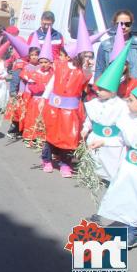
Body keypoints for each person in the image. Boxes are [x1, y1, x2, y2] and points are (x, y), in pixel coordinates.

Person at [40, 14, 94, 178]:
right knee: (51, 134)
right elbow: (51, 83)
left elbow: (86, 74)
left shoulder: (84, 70)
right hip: (54, 107)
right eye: (85, 55)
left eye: (89, 56)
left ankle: (65, 163)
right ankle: (47, 159)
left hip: (71, 110)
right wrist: (43, 98)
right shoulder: (60, 65)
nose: (87, 58)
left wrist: (87, 65)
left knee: (69, 137)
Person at [97, 84, 137, 249]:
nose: (127, 102)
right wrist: (103, 141)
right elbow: (120, 139)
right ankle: (130, 230)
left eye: (131, 100)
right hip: (129, 168)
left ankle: (134, 231)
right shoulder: (129, 120)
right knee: (128, 199)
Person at [21, 31, 54, 144]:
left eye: (46, 62)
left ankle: (41, 137)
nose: (44, 64)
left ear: (50, 62)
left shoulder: (53, 73)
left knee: (44, 119)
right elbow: (31, 87)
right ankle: (30, 137)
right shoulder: (35, 73)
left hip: (47, 101)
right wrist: (43, 87)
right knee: (33, 118)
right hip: (35, 100)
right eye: (42, 62)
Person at [95, 9, 137, 81]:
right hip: (111, 87)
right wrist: (97, 88)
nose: (123, 27)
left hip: (132, 88)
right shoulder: (105, 45)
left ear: (131, 24)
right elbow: (99, 70)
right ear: (114, 24)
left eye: (127, 24)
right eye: (120, 24)